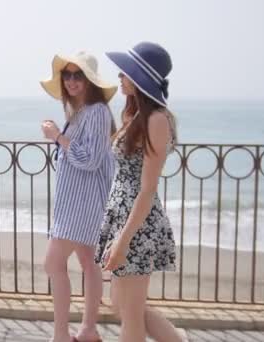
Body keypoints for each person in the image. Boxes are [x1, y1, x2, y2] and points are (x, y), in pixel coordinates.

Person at [95, 42, 182, 342]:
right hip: (124, 218)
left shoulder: (156, 120)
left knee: (130, 316)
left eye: (126, 72)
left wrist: (122, 241)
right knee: (124, 306)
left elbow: (147, 190)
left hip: (138, 225)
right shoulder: (133, 115)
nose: (120, 76)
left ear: (141, 78)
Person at [40, 51, 117, 342]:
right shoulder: (80, 112)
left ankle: (62, 335)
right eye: (67, 75)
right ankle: (87, 331)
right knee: (88, 262)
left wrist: (57, 137)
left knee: (53, 263)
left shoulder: (96, 112)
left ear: (90, 81)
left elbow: (90, 159)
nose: (71, 81)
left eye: (78, 75)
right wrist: (61, 135)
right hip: (77, 203)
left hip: (82, 206)